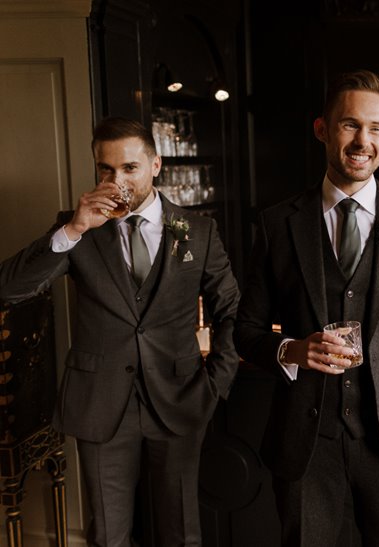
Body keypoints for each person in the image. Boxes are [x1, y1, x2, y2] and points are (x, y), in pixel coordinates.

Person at [233, 69, 379, 546]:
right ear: (322, 129)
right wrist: (293, 351)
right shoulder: (279, 224)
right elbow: (246, 329)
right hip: (305, 446)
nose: (364, 141)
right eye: (350, 125)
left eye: (376, 128)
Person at [0, 117, 240, 547]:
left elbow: (231, 308)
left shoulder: (199, 232)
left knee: (182, 534)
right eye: (105, 170)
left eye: (129, 168)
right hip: (99, 403)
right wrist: (73, 230)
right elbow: (10, 288)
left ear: (155, 165)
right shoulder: (76, 228)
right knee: (108, 536)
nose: (117, 181)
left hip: (180, 399)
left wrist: (216, 382)